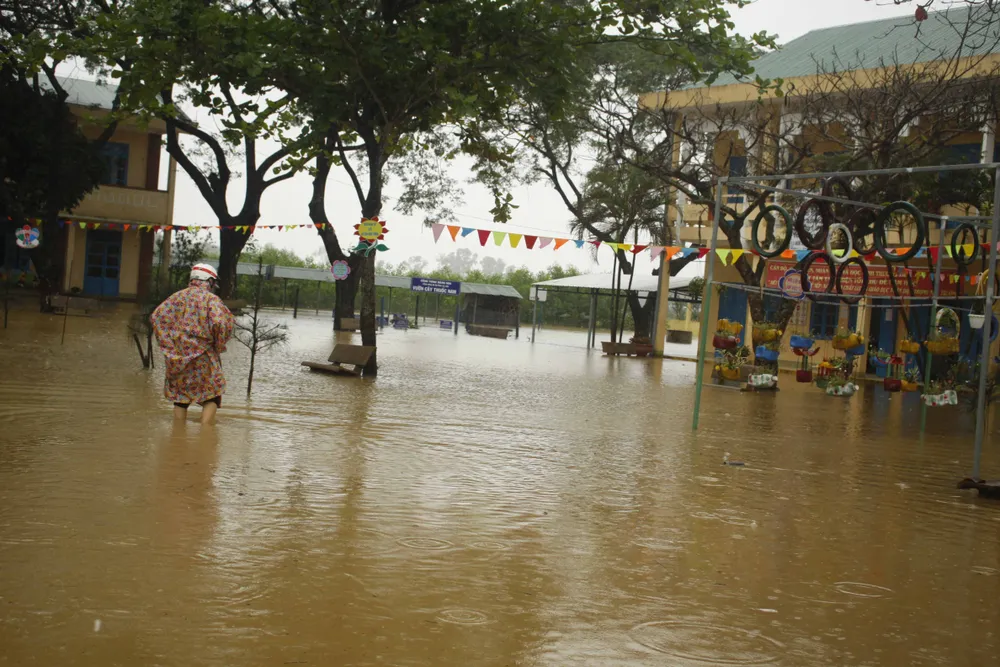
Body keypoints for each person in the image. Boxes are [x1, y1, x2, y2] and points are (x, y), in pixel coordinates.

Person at [151, 263, 235, 424]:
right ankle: (205, 432)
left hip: (177, 356)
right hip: (204, 356)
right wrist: (218, 345)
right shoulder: (211, 300)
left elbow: (156, 318)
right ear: (209, 281)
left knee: (181, 397)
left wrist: (169, 346)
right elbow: (221, 324)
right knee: (212, 396)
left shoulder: (175, 298)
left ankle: (178, 433)